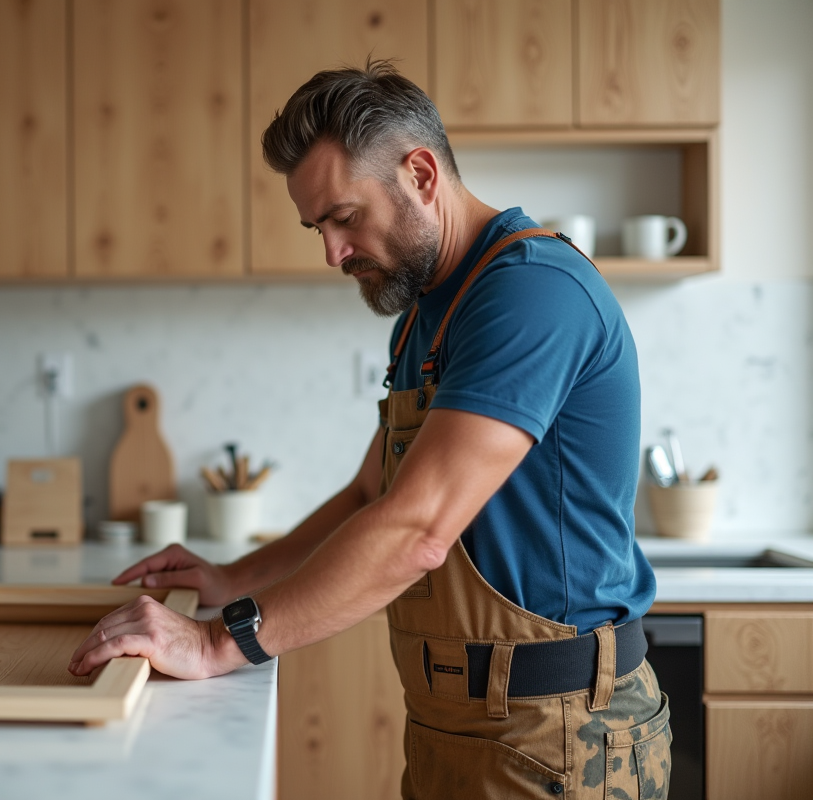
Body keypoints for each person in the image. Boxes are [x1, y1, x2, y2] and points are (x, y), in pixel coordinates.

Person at [69, 60, 671, 799]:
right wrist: (234, 580)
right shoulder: (428, 311)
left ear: (420, 173)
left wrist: (221, 641)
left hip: (561, 731)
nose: (332, 252)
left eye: (345, 217)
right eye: (317, 226)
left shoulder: (530, 294)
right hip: (455, 722)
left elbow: (418, 529)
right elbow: (369, 494)